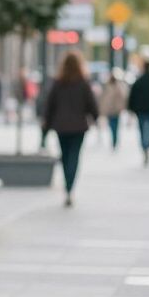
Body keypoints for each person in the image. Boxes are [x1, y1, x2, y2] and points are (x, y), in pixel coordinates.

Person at [42, 51, 98, 206]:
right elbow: (92, 104)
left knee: (65, 155)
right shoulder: (83, 83)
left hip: (61, 126)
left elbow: (49, 104)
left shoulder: (58, 82)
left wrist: (46, 121)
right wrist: (95, 117)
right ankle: (69, 188)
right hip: (78, 126)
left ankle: (67, 184)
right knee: (74, 156)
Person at [98, 69, 128, 151]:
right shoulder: (109, 87)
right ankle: (114, 140)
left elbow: (121, 98)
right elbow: (104, 100)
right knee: (113, 127)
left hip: (114, 110)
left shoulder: (114, 87)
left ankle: (114, 141)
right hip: (112, 110)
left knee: (114, 127)